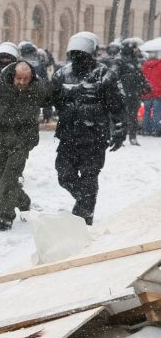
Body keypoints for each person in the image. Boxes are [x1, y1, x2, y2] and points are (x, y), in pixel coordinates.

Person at [50, 32, 126, 225]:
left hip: (95, 136)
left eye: (82, 53)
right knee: (64, 174)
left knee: (89, 176)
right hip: (68, 135)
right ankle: (84, 201)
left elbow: (117, 103)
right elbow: (52, 97)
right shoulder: (62, 74)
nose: (78, 56)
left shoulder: (104, 74)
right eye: (75, 53)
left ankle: (84, 217)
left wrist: (119, 128)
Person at [0, 61, 52, 230]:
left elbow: (54, 95)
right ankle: (23, 200)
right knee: (1, 175)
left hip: (21, 141)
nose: (21, 82)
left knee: (9, 177)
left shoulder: (37, 89)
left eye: (25, 79)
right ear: (13, 76)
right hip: (0, 140)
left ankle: (4, 217)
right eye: (18, 78)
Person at [116, 38, 150, 146]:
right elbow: (115, 77)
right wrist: (119, 89)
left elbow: (140, 75)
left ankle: (133, 137)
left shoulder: (135, 60)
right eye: (133, 47)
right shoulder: (119, 60)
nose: (136, 49)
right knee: (121, 116)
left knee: (133, 116)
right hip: (123, 92)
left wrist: (146, 84)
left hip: (134, 91)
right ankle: (119, 137)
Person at [141, 49, 161, 137]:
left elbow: (141, 79)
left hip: (147, 93)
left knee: (146, 112)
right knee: (156, 113)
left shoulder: (144, 66)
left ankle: (146, 130)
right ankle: (155, 130)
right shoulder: (160, 65)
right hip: (158, 92)